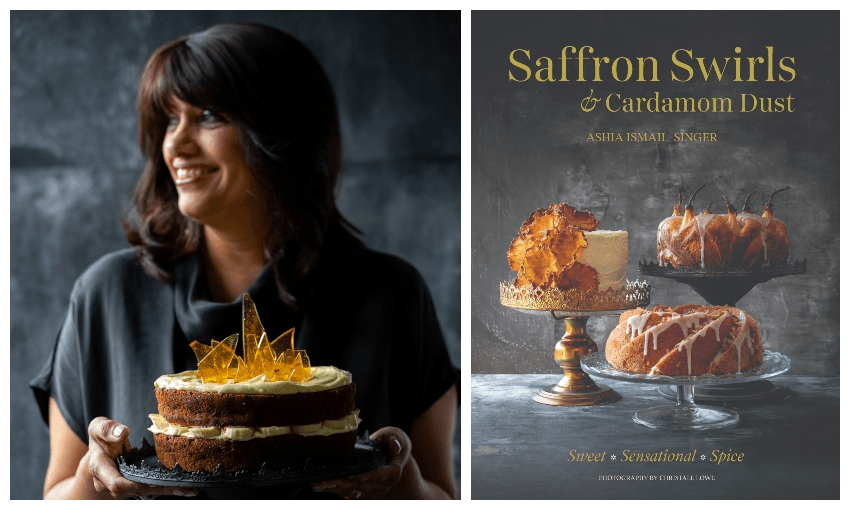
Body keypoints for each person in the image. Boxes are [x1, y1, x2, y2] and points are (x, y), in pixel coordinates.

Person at [31, 22, 458, 500]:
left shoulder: (392, 294)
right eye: (170, 119)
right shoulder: (107, 294)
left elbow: (442, 495)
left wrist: (402, 477)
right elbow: (56, 496)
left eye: (209, 116)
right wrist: (94, 475)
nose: (175, 145)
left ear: (283, 130)